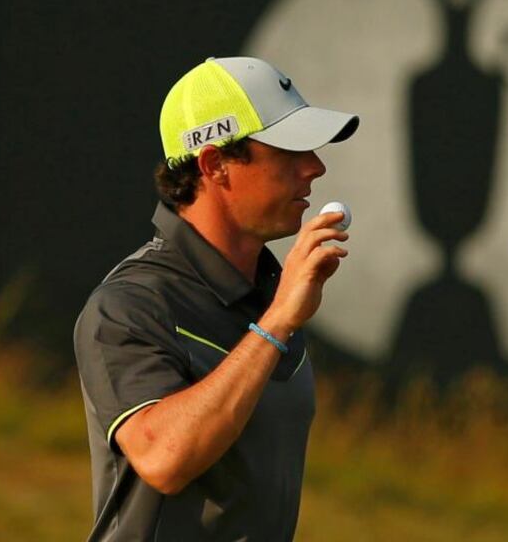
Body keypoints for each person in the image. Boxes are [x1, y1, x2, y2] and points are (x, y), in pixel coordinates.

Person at [73, 56, 359, 541]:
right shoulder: (128, 305)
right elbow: (164, 458)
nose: (315, 167)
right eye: (289, 153)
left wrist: (278, 315)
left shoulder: (273, 294)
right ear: (215, 164)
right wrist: (276, 325)